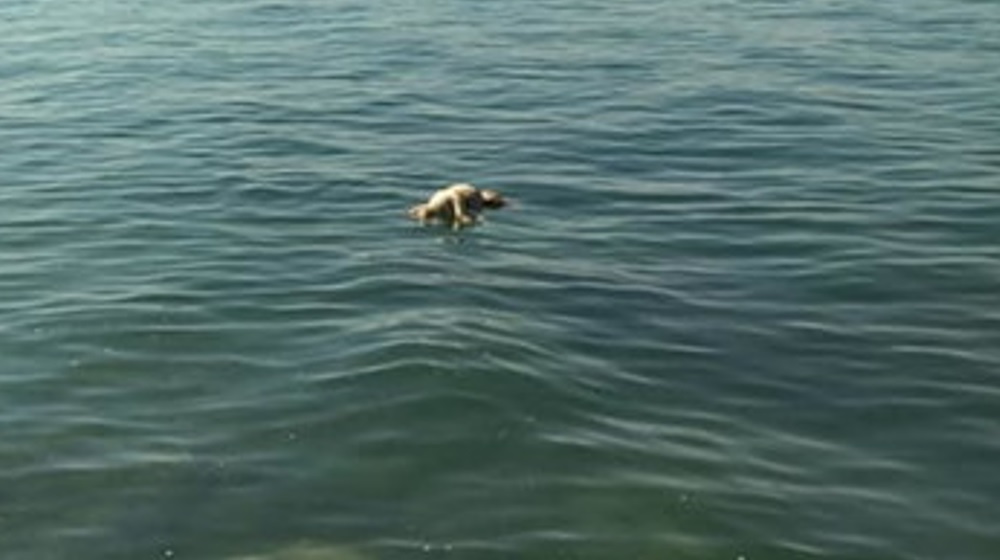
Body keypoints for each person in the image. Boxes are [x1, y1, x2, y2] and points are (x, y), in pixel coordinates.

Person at [408, 183, 506, 228]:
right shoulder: (434, 204)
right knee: (486, 207)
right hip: (469, 196)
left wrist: (460, 213)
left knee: (493, 204)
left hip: (468, 194)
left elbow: (455, 195)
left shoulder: (437, 202)